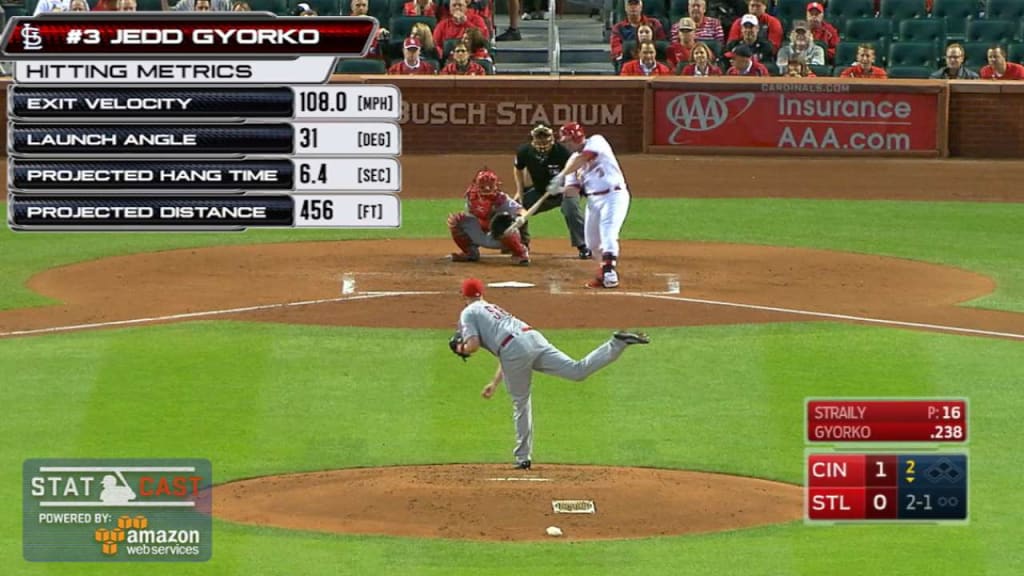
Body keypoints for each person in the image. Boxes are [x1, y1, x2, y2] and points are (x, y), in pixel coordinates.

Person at [453, 277, 650, 469]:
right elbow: (506, 350)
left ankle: (523, 457)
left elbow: (474, 345)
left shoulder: (468, 313)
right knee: (577, 370)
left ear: (463, 295)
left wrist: (460, 348)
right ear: (481, 293)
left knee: (520, 402)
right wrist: (494, 383)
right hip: (532, 338)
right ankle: (616, 343)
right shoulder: (492, 308)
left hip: (513, 348)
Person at [552, 123, 631, 289]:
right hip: (593, 201)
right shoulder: (572, 162)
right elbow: (573, 190)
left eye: (567, 141)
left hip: (614, 196)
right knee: (592, 244)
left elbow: (585, 157)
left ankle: (610, 273)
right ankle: (604, 269)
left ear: (577, 138)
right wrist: (559, 190)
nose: (566, 145)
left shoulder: (596, 141)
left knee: (608, 234)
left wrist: (560, 175)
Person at [513, 122, 589, 259]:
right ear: (532, 138)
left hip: (566, 190)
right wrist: (520, 191)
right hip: (541, 191)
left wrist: (563, 187)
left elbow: (575, 172)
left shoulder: (562, 152)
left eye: (545, 137)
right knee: (516, 207)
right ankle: (521, 244)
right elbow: (518, 169)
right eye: (539, 137)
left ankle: (583, 245)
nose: (542, 141)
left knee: (571, 208)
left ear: (552, 138)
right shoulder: (524, 151)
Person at [447, 168, 531, 265]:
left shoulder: (502, 199)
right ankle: (470, 252)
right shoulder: (471, 196)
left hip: (498, 235)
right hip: (480, 231)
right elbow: (471, 215)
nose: (487, 189)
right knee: (457, 220)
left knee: (503, 223)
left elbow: (522, 210)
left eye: (490, 186)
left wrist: (520, 218)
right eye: (483, 186)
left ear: (495, 186)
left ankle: (520, 252)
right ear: (476, 185)